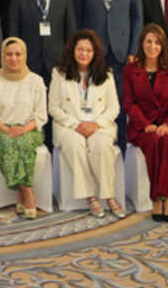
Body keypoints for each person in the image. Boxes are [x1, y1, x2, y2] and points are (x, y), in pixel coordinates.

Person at [48, 29, 123, 218]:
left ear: (95, 53)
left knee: (101, 145)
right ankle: (90, 196)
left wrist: (96, 124)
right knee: (75, 144)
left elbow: (114, 108)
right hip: (69, 126)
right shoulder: (59, 74)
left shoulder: (106, 75)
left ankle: (109, 195)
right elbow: (53, 108)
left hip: (99, 126)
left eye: (88, 50)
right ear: (72, 50)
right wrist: (76, 125)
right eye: (80, 49)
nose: (84, 54)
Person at [0, 37, 50, 219]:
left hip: (30, 130)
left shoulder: (36, 81)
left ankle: (21, 195)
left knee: (24, 143)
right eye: (9, 54)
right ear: (2, 56)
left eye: (18, 54)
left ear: (25, 55)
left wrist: (23, 129)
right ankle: (28, 193)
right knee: (10, 143)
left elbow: (41, 115)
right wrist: (7, 130)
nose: (14, 58)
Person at [121, 24, 168, 221]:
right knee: (152, 141)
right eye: (148, 42)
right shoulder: (130, 70)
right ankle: (159, 198)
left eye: (157, 43)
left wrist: (167, 125)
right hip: (142, 126)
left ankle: (166, 197)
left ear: (163, 46)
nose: (152, 47)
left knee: (166, 142)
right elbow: (129, 103)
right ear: (141, 44)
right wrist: (144, 124)